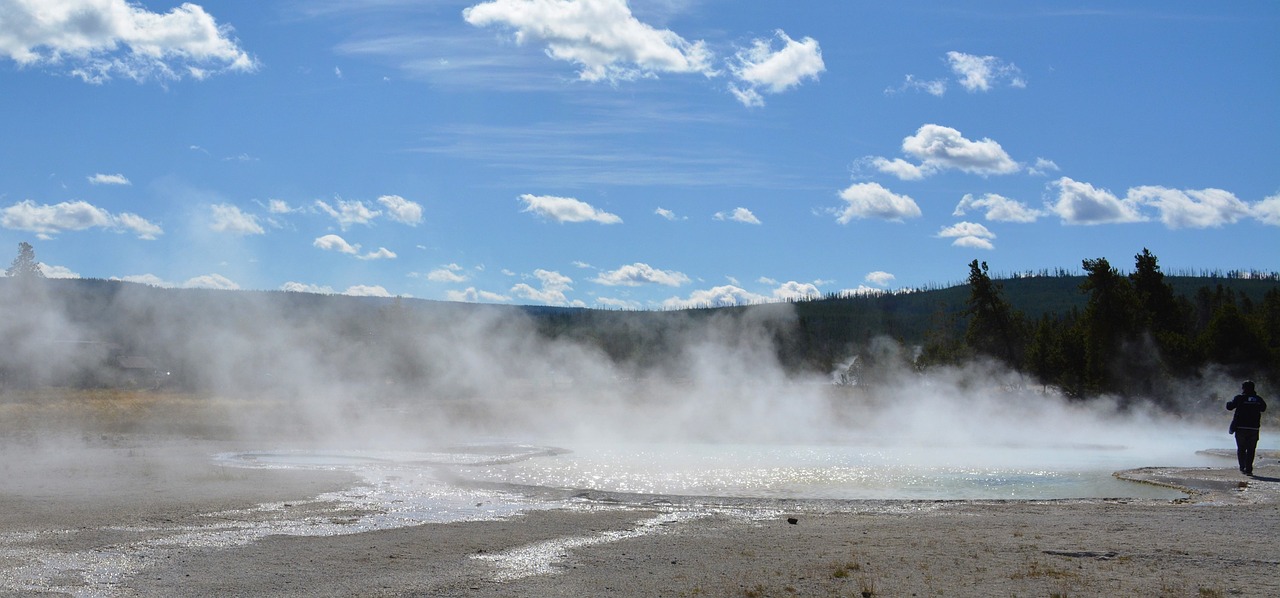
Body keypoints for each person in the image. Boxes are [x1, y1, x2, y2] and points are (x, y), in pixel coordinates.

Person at [1226, 380, 1267, 476]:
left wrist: (1229, 402)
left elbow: (1229, 407)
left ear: (1243, 388)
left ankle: (1242, 467)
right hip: (1254, 428)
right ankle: (1249, 469)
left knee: (1241, 448)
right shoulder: (1258, 399)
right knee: (1251, 449)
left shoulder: (1239, 398)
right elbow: (1263, 408)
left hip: (1241, 427)